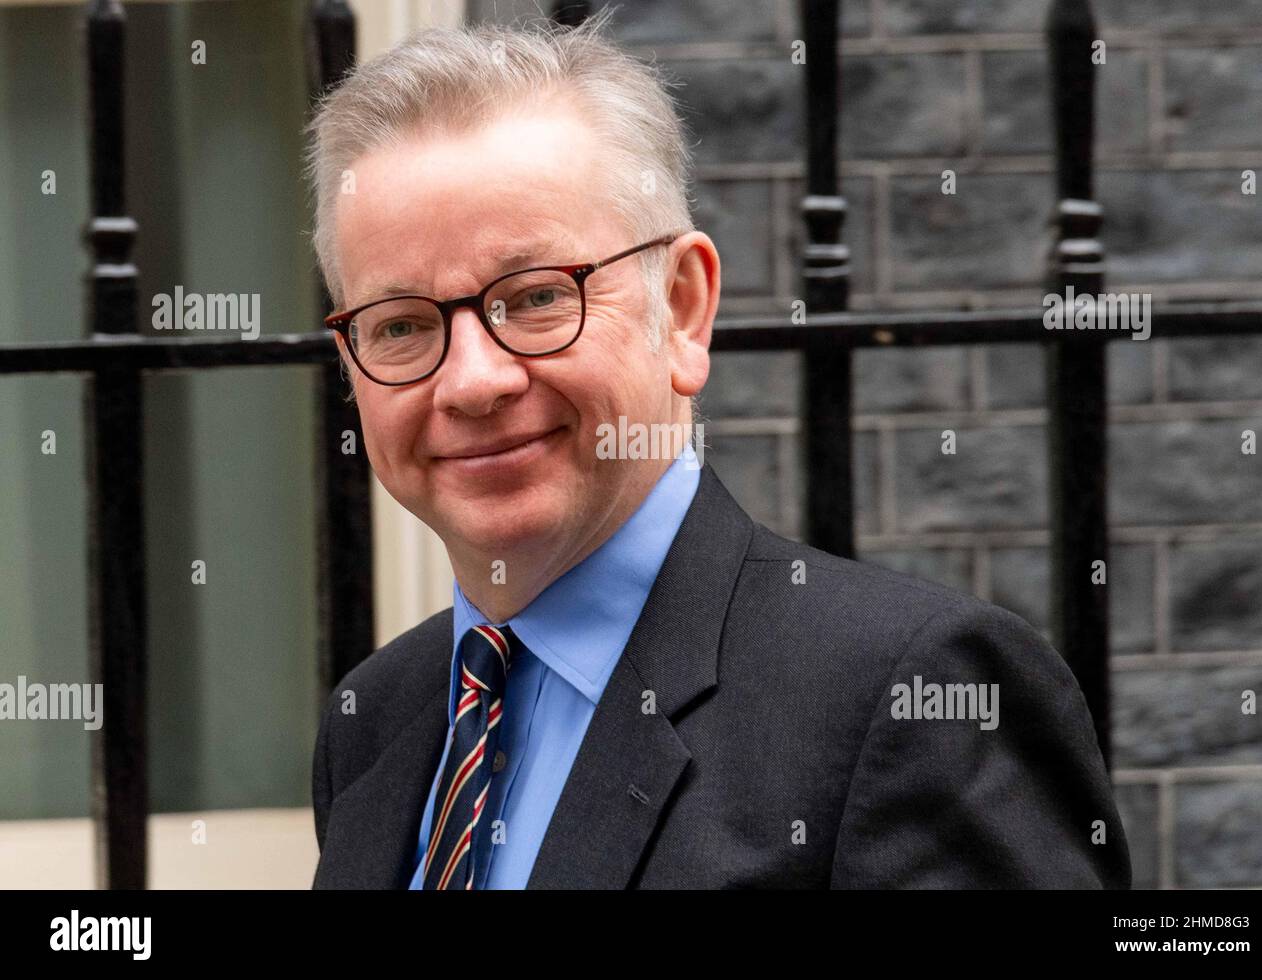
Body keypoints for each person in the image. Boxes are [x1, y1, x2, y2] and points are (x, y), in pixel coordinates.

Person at [305, 12, 1130, 890]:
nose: (473, 381)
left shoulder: (909, 699)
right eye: (398, 325)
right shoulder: (375, 722)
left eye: (538, 297)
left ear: (685, 307)